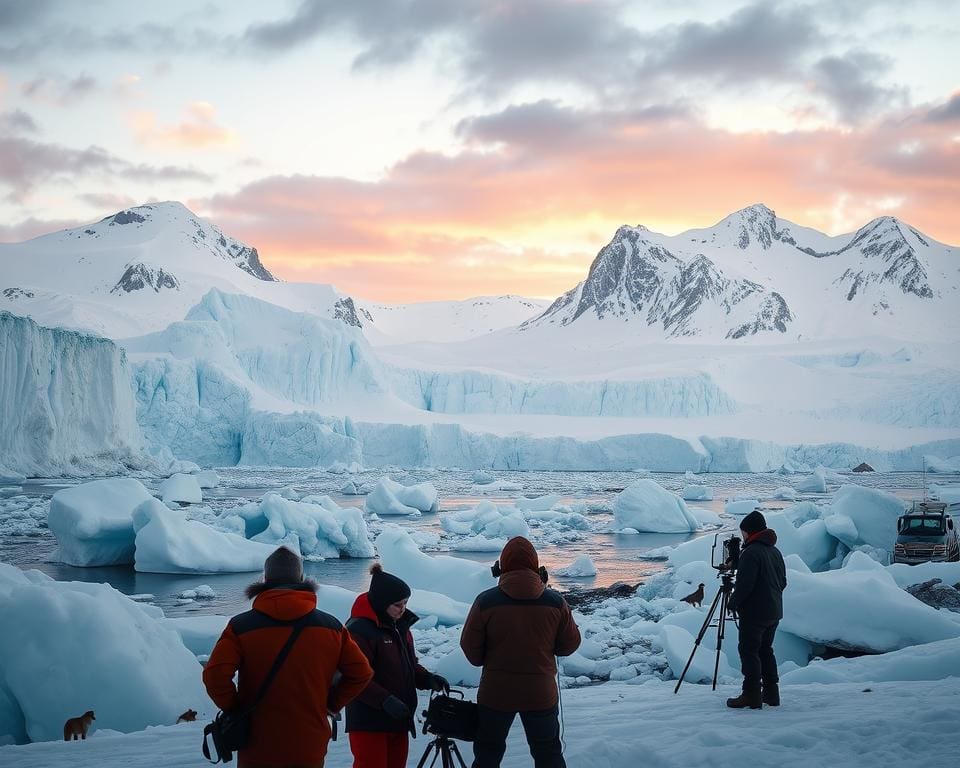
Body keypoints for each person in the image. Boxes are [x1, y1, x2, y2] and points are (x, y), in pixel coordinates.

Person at [203, 546, 374, 768]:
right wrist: (330, 705)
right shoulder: (331, 627)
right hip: (309, 740)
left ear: (265, 579)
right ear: (301, 578)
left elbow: (215, 676)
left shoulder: (240, 627)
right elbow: (361, 673)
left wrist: (235, 708)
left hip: (257, 742)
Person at [460, 536, 581, 768]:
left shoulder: (485, 602)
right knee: (548, 754)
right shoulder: (555, 602)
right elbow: (569, 645)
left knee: (487, 754)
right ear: (538, 568)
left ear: (500, 568)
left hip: (495, 693)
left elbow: (471, 651)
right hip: (540, 693)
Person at [346, 564, 450, 768]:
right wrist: (385, 700)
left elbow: (408, 665)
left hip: (398, 717)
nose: (403, 609)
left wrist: (426, 678)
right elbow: (354, 677)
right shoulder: (359, 631)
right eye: (397, 605)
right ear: (381, 603)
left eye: (405, 603)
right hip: (370, 721)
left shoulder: (399, 627)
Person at [726, 510, 787, 709]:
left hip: (755, 613)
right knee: (765, 650)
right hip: (773, 612)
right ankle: (771, 693)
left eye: (743, 532)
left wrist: (733, 602)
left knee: (749, 651)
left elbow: (745, 586)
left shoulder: (751, 553)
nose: (742, 536)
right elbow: (783, 582)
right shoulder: (775, 552)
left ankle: (751, 694)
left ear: (749, 531)